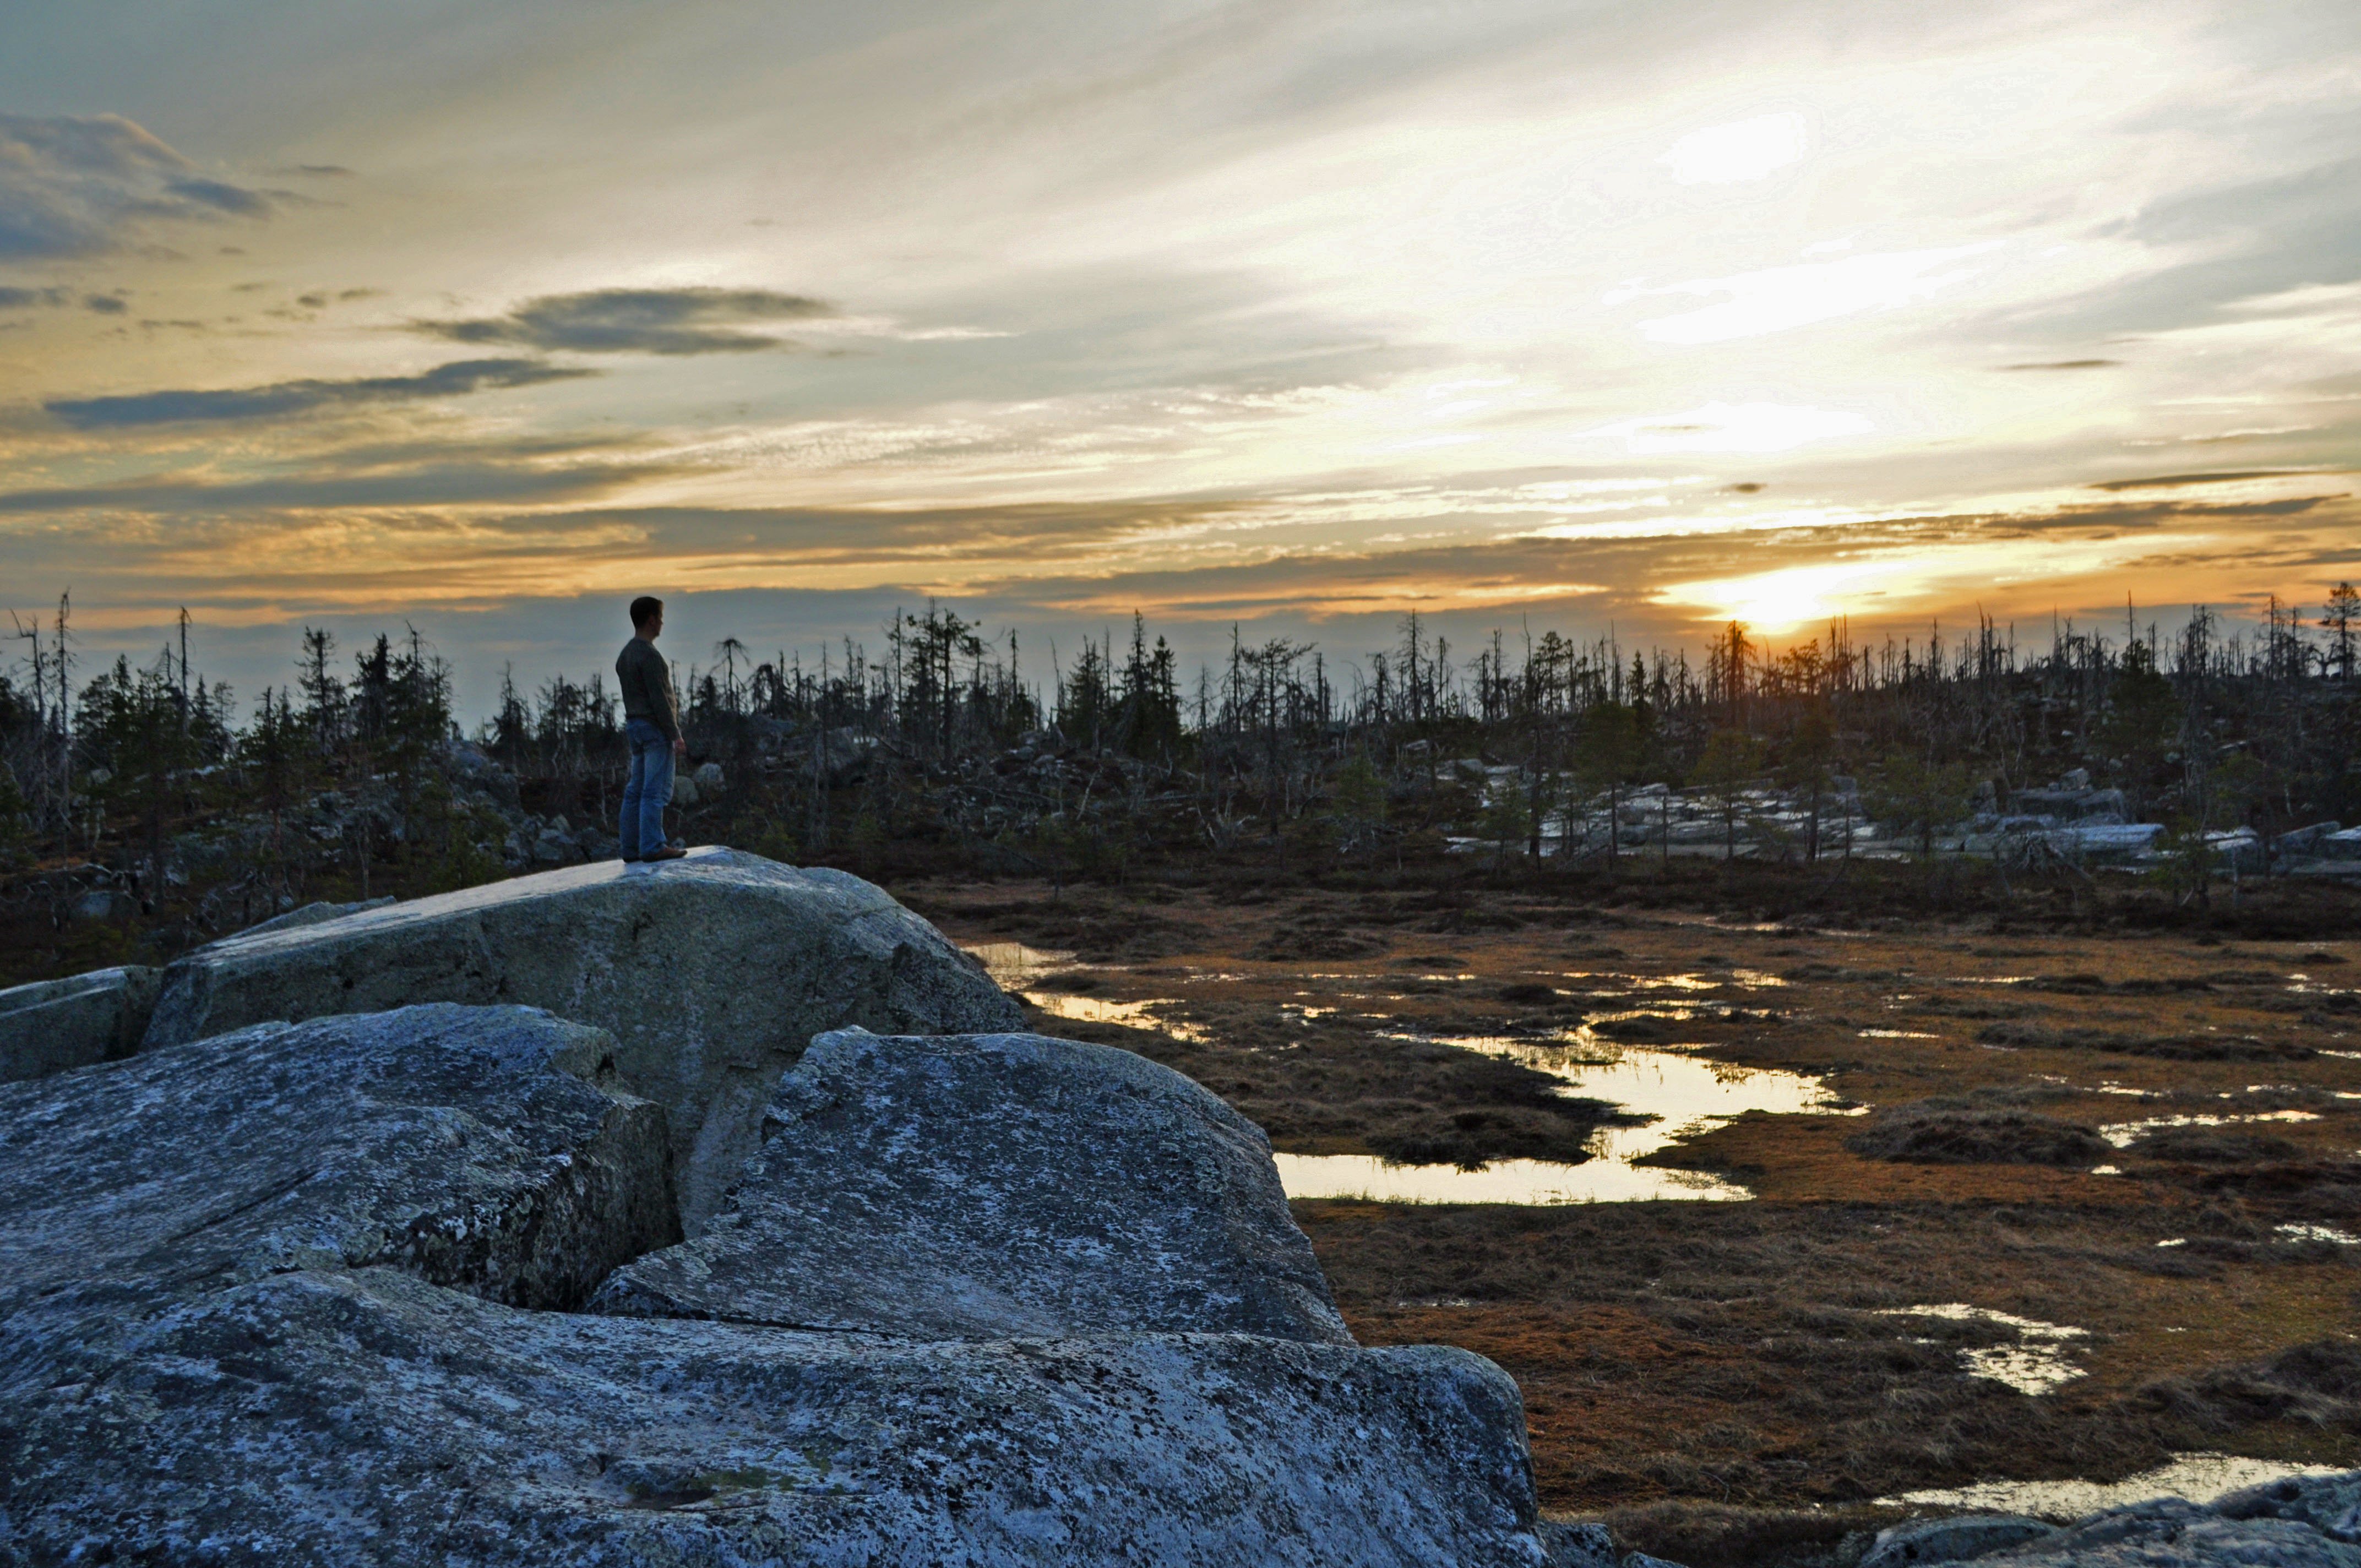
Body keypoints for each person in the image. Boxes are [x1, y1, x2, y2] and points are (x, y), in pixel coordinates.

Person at [616, 595, 688, 862]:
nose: (662, 623)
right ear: (651, 620)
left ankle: (630, 848)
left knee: (635, 789)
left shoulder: (625, 655)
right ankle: (653, 846)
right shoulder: (649, 656)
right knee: (654, 791)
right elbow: (660, 700)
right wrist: (675, 735)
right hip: (654, 730)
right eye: (660, 618)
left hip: (634, 727)